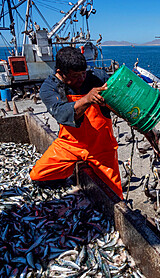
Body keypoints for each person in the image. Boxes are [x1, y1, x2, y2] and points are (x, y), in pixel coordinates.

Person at [30, 47, 123, 199]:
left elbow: (122, 101)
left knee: (114, 194)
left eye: (83, 73)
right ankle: (68, 177)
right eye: (76, 75)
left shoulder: (98, 78)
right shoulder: (49, 88)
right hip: (70, 145)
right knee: (37, 175)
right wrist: (87, 99)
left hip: (101, 146)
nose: (82, 78)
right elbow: (60, 113)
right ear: (60, 72)